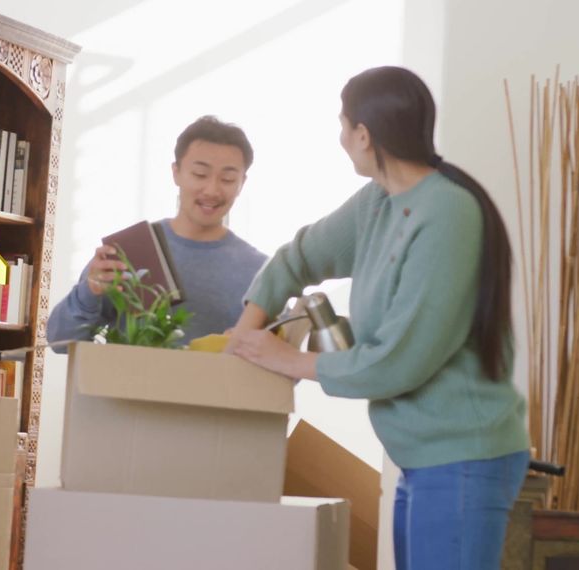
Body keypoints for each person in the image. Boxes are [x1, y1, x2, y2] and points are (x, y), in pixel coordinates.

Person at [226, 67, 530, 569]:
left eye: (343, 126)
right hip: (420, 458)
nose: (341, 138)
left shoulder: (447, 214)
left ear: (363, 135)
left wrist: (288, 361)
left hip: (462, 458)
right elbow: (300, 255)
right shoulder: (379, 203)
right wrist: (247, 330)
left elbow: (397, 363)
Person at [46, 116, 267, 351]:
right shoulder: (130, 251)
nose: (212, 190)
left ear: (242, 182)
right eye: (200, 175)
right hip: (122, 388)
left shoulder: (260, 271)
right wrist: (89, 292)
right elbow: (59, 342)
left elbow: (280, 369)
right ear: (176, 173)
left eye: (227, 179)